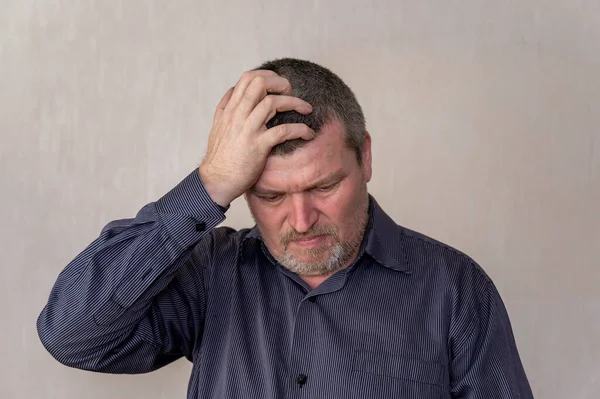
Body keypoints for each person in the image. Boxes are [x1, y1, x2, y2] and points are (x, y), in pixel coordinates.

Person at [37, 58, 533, 398]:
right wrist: (208, 184)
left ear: (365, 158)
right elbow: (71, 334)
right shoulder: (211, 273)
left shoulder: (456, 288)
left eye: (324, 187)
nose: (300, 221)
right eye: (270, 196)